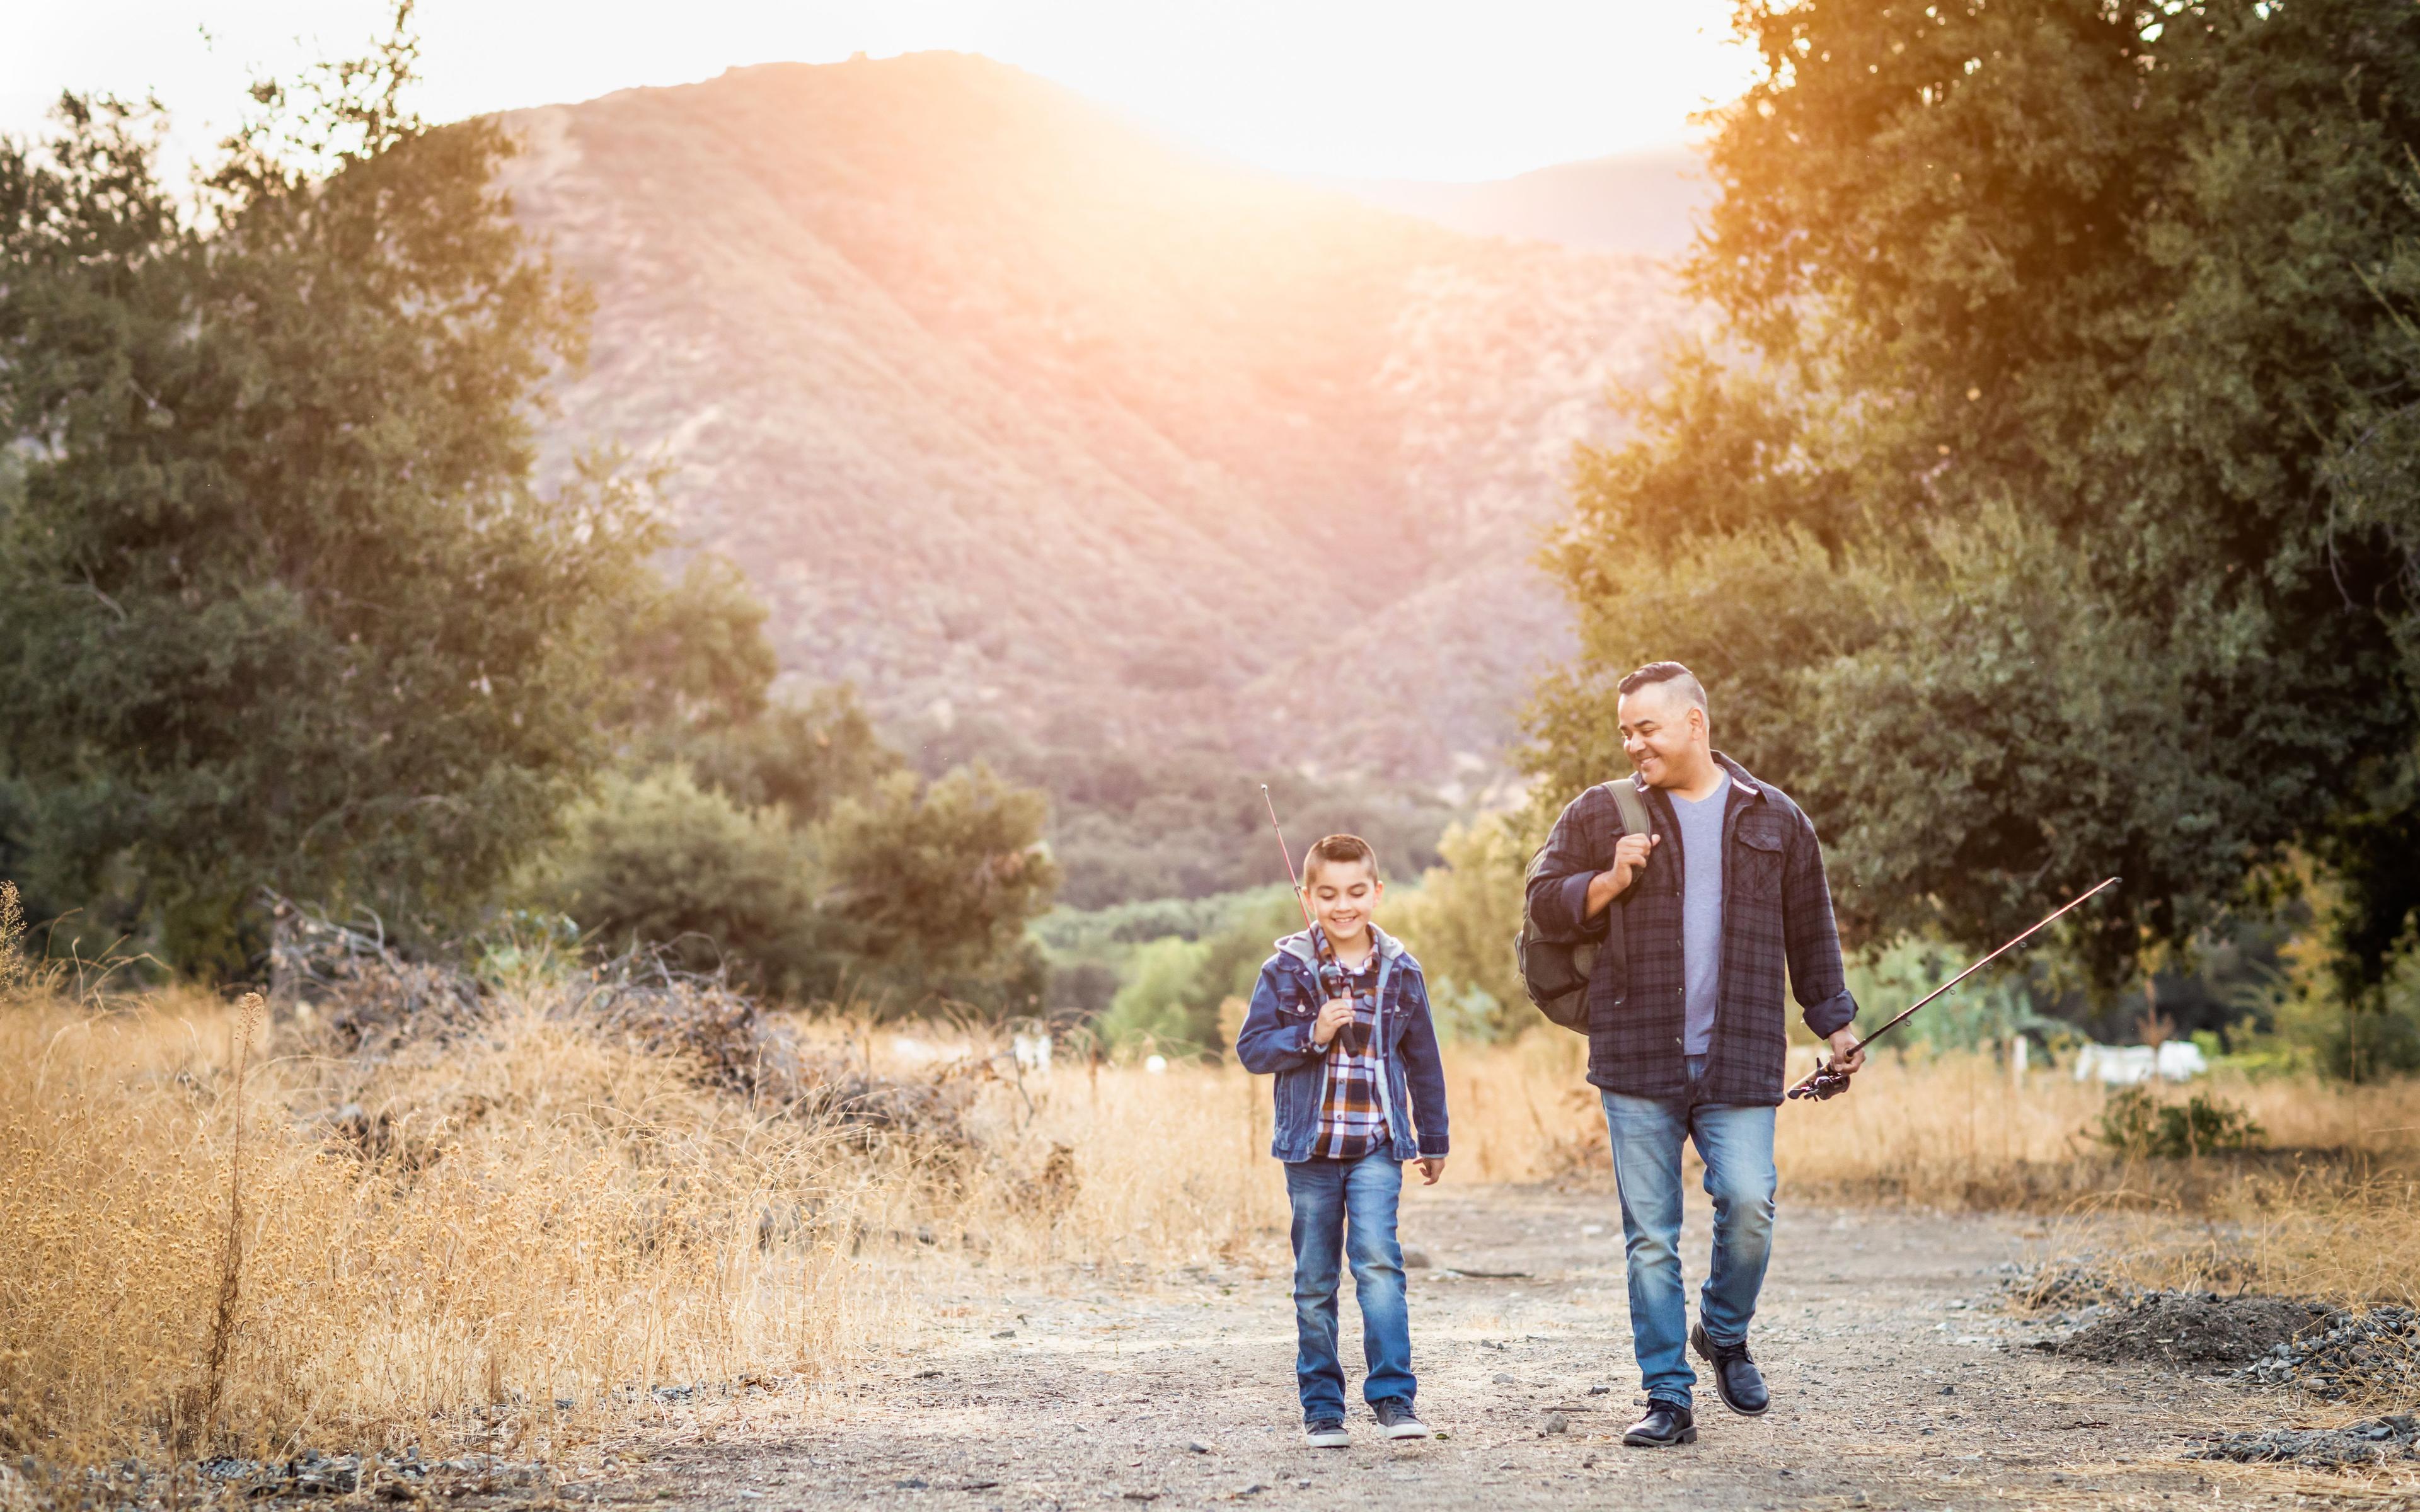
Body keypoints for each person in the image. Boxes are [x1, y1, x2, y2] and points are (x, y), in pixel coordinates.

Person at [1524, 662, 1864, 1448]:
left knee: (1750, 1206)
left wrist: (1836, 1025)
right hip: (1636, 1052)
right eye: (1625, 732)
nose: (1633, 743)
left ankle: (1724, 1332)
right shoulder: (1598, 812)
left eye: (1646, 728)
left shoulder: (1776, 820)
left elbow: (1812, 932)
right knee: (1651, 1236)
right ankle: (1667, 1396)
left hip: (1740, 1054)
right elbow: (1542, 904)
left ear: (1694, 725)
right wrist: (1608, 880)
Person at [1235, 833, 1451, 1448]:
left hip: (1377, 1144)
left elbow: (1425, 1062)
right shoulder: (1285, 971)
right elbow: (1253, 1050)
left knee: (1380, 1266)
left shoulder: (1401, 971)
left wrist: (1431, 1139)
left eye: (1357, 892)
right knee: (1315, 1280)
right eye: (1327, 894)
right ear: (1309, 896)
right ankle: (1323, 1409)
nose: (1343, 905)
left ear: (1377, 892)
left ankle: (1393, 1399)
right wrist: (1312, 1033)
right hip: (1311, 1150)